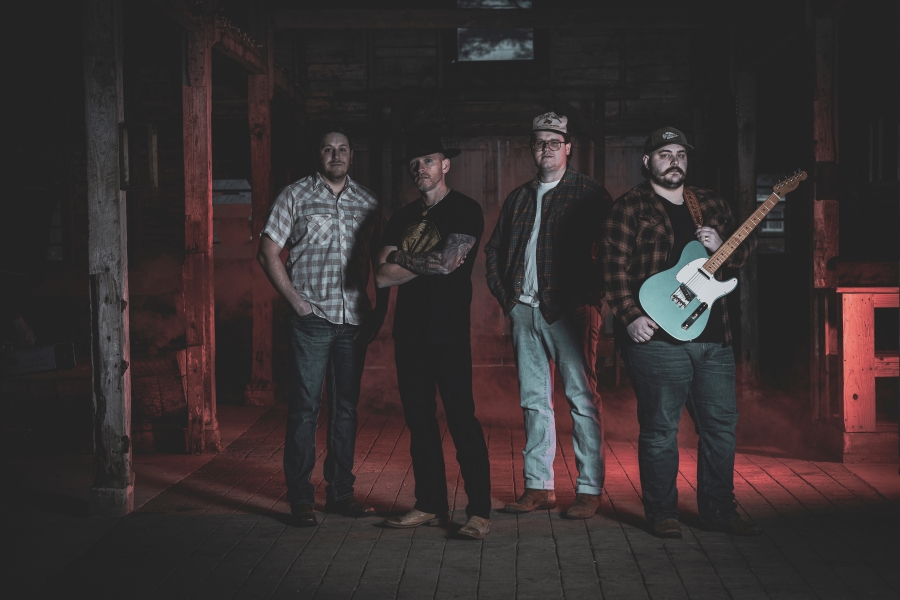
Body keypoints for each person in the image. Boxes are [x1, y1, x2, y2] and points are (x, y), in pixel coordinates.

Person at [602, 126, 762, 538]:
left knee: (720, 427)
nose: (674, 160)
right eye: (664, 153)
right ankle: (663, 514)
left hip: (713, 338)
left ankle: (719, 511)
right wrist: (629, 316)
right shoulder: (629, 207)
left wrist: (721, 241)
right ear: (647, 161)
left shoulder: (708, 203)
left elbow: (741, 255)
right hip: (656, 340)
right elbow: (612, 269)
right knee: (660, 430)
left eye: (680, 154)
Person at [258, 126, 387, 527]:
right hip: (311, 321)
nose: (336, 155)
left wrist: (379, 310)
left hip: (353, 322)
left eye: (343, 149)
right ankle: (300, 498)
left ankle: (340, 494)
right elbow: (267, 251)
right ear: (319, 154)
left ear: (352, 154)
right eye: (328, 149)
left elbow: (384, 260)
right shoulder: (295, 195)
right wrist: (298, 304)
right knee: (303, 411)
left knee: (345, 410)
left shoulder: (368, 202)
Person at [485, 112, 610, 519]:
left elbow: (612, 253)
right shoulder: (519, 198)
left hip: (571, 313)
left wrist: (592, 298)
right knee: (534, 402)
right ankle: (539, 487)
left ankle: (589, 489)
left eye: (554, 142)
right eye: (540, 142)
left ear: (568, 148)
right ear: (532, 148)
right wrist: (509, 300)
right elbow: (494, 251)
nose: (546, 149)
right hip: (525, 310)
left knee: (581, 400)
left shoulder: (590, 194)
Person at [375, 134, 492, 540]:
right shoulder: (401, 215)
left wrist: (401, 258)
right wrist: (418, 262)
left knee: (462, 420)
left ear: (445, 165)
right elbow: (380, 275)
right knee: (420, 423)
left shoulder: (464, 209)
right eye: (414, 164)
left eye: (428, 160)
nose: (420, 168)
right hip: (408, 334)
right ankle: (429, 504)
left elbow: (447, 264)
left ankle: (478, 512)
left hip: (449, 333)